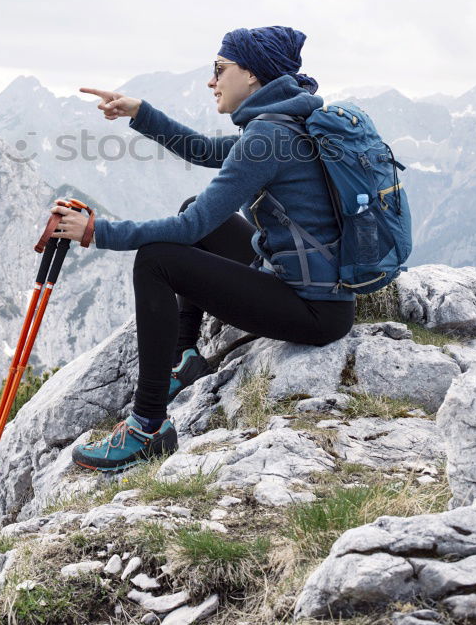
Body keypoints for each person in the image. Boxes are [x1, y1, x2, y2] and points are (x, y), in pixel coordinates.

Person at [51, 26, 355, 472]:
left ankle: (147, 429)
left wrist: (95, 232)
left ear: (251, 75)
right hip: (314, 287)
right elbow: (205, 150)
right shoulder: (287, 121)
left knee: (158, 259)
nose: (211, 81)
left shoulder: (268, 136)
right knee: (193, 206)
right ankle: (186, 357)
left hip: (313, 310)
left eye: (219, 69)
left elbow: (189, 228)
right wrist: (141, 113)